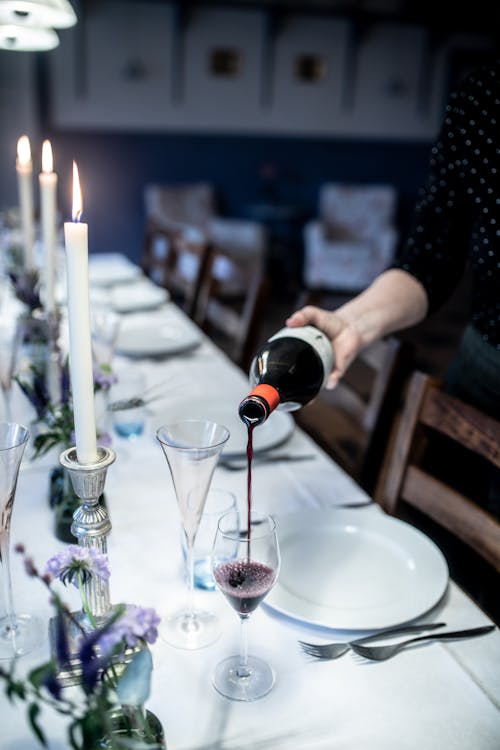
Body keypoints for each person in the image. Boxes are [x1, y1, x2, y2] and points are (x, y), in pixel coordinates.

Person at [287, 59, 500, 516]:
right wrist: (350, 322)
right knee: (442, 542)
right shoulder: (484, 98)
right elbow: (430, 259)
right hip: (481, 378)